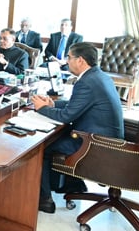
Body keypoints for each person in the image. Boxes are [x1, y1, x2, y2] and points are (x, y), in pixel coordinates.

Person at [32, 42, 123, 214]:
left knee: (41, 148)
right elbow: (79, 104)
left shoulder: (86, 82)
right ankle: (73, 184)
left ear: (80, 60)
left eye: (69, 57)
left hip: (95, 143)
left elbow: (66, 116)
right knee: (57, 137)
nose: (67, 61)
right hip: (106, 137)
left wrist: (42, 109)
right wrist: (53, 103)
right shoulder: (99, 76)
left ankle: (44, 200)